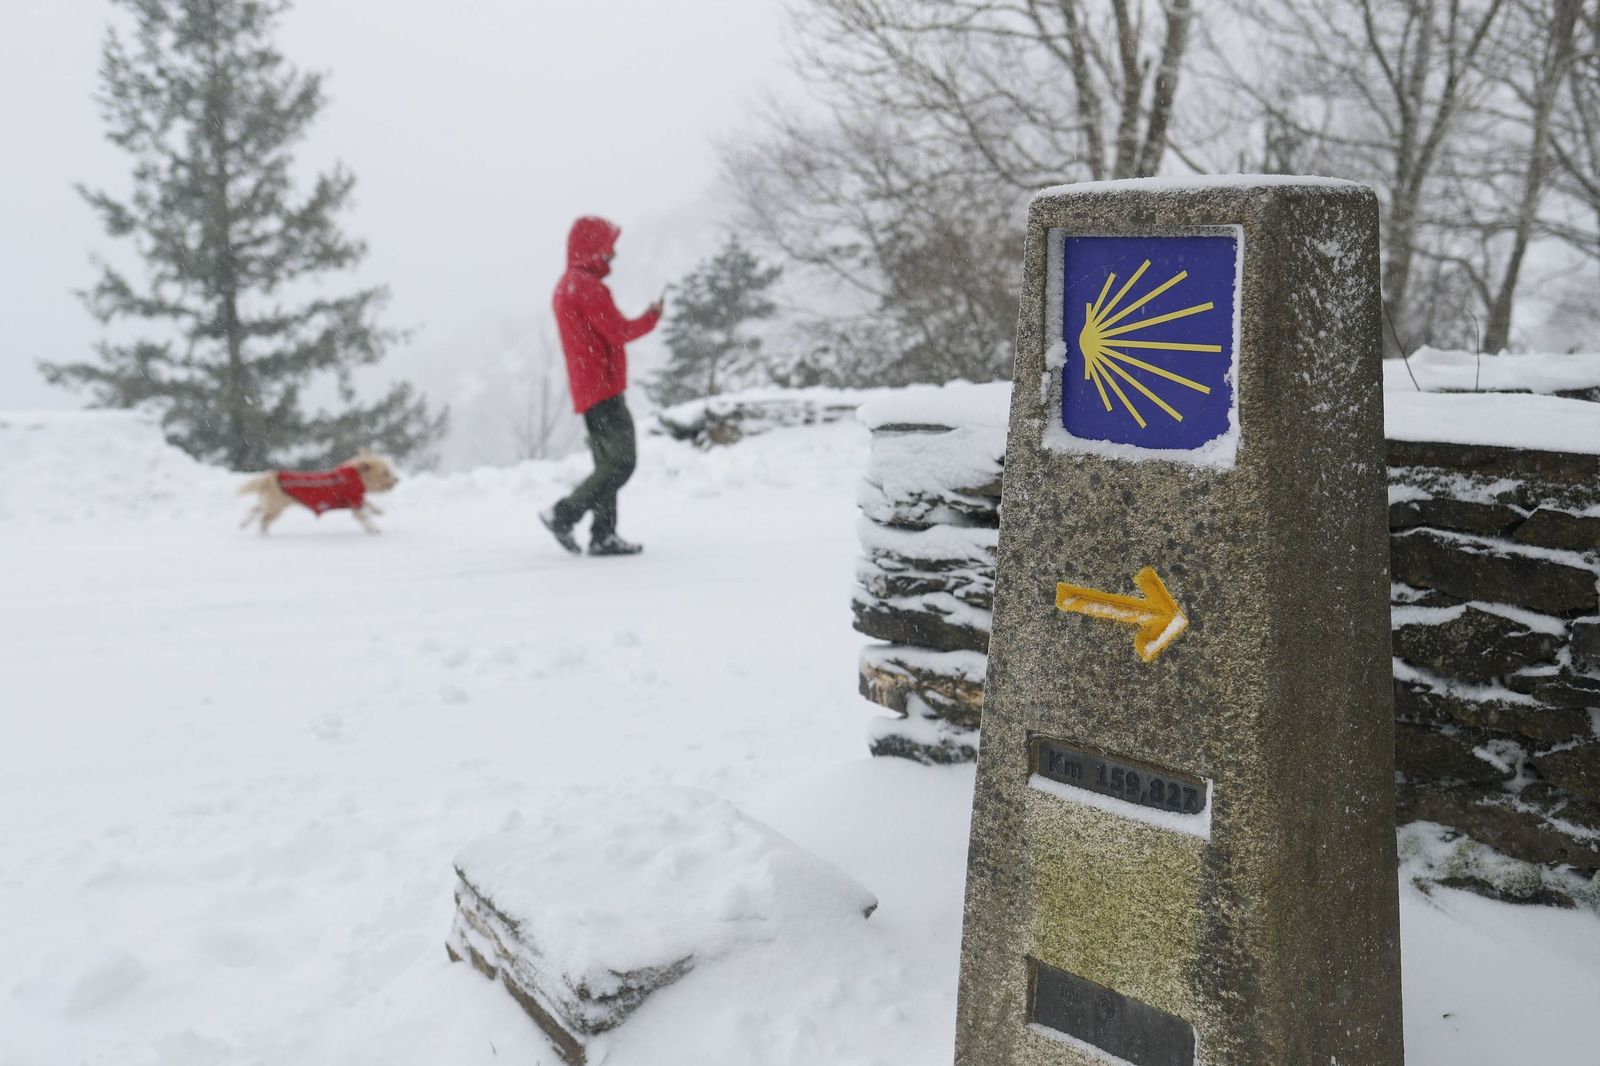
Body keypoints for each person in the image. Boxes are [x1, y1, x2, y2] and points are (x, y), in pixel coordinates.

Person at [540, 216, 663, 556]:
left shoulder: (566, 286)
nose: (613, 256)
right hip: (605, 389)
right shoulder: (588, 287)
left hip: (587, 389)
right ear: (592, 248)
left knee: (606, 466)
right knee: (622, 463)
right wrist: (652, 317)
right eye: (608, 248)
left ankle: (603, 535)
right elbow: (618, 332)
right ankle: (563, 514)